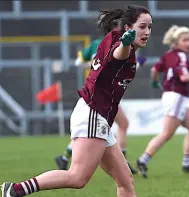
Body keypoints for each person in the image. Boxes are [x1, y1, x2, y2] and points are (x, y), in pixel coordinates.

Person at [0, 6, 178, 197]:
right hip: (93, 113)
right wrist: (126, 43)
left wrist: (125, 42)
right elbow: (118, 54)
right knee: (77, 177)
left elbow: (117, 53)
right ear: (127, 28)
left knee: (125, 180)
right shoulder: (121, 45)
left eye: (150, 27)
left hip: (97, 116)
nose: (147, 31)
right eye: (142, 26)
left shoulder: (112, 39)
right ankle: (15, 190)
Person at [54, 18, 146, 174]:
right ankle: (123, 162)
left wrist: (91, 64)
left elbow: (78, 62)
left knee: (92, 130)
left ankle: (64, 156)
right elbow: (122, 64)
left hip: (94, 91)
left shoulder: (96, 43)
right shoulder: (119, 44)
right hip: (102, 94)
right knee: (121, 124)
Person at [135, 25, 189, 178]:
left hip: (172, 96)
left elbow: (154, 70)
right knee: (166, 134)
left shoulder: (168, 54)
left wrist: (154, 82)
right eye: (185, 40)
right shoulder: (182, 56)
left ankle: (187, 163)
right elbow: (184, 77)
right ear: (176, 42)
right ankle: (143, 159)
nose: (188, 43)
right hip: (177, 97)